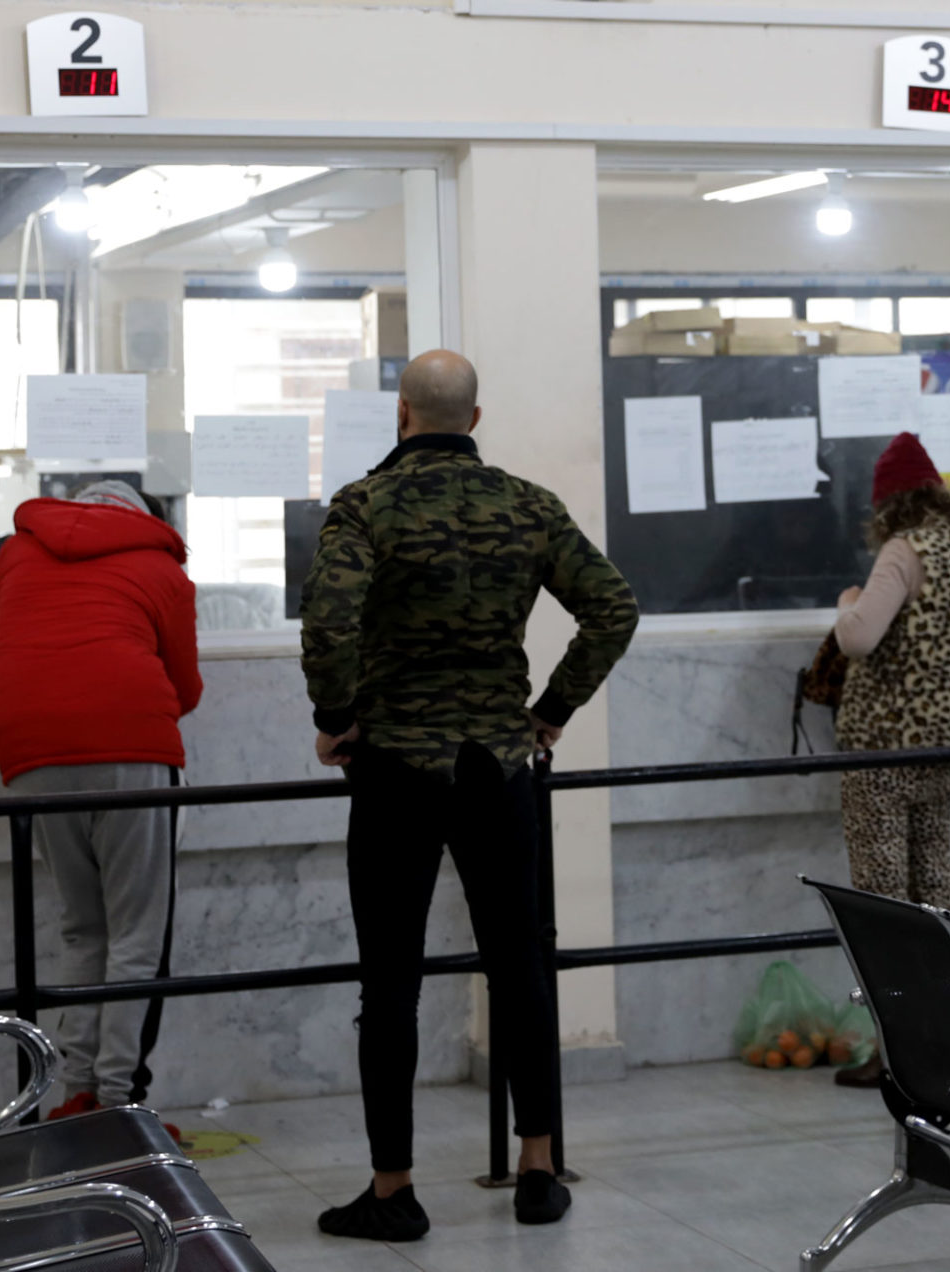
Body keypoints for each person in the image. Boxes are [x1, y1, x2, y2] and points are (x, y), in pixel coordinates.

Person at [300, 350, 640, 1240]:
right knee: (521, 966)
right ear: (475, 420)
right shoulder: (527, 505)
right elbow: (613, 607)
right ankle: (536, 1170)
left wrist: (335, 715)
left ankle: (392, 1190)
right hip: (499, 765)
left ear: (403, 414)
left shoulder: (364, 506)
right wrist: (551, 711)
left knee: (392, 982)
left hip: (397, 771)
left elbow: (329, 620)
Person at [0, 479, 202, 1120]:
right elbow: (186, 688)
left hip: (34, 753)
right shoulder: (161, 565)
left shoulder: (18, 552)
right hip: (131, 745)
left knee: (82, 927)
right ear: (146, 516)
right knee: (135, 933)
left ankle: (76, 1095)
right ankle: (119, 1107)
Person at [830, 432, 950, 1086]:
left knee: (884, 902)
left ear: (889, 503)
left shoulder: (903, 552)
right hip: (948, 752)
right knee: (938, 897)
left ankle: (898, 1051)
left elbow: (859, 638)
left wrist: (849, 601)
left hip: (884, 752)